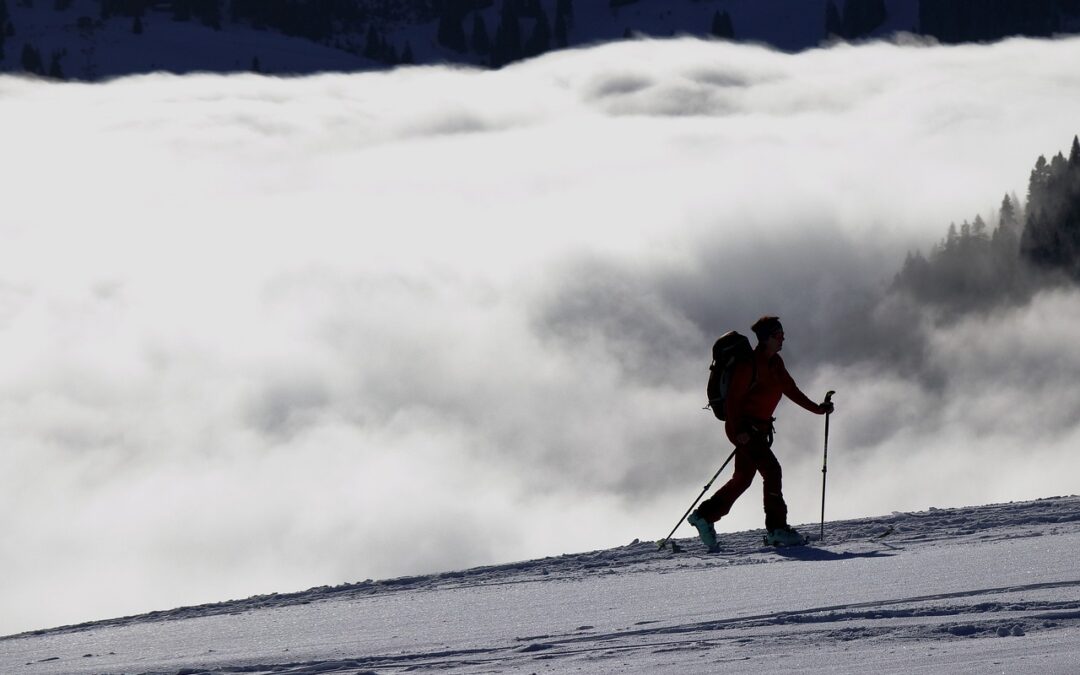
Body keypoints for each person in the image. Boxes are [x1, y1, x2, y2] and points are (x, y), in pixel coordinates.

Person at [688, 316, 834, 550]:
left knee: (743, 479)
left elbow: (791, 390)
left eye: (782, 334)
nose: (783, 338)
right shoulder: (750, 364)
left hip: (758, 429)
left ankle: (704, 516)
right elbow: (733, 402)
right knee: (772, 471)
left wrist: (819, 409)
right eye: (778, 335)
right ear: (766, 339)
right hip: (744, 429)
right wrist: (740, 431)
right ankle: (777, 529)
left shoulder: (775, 363)